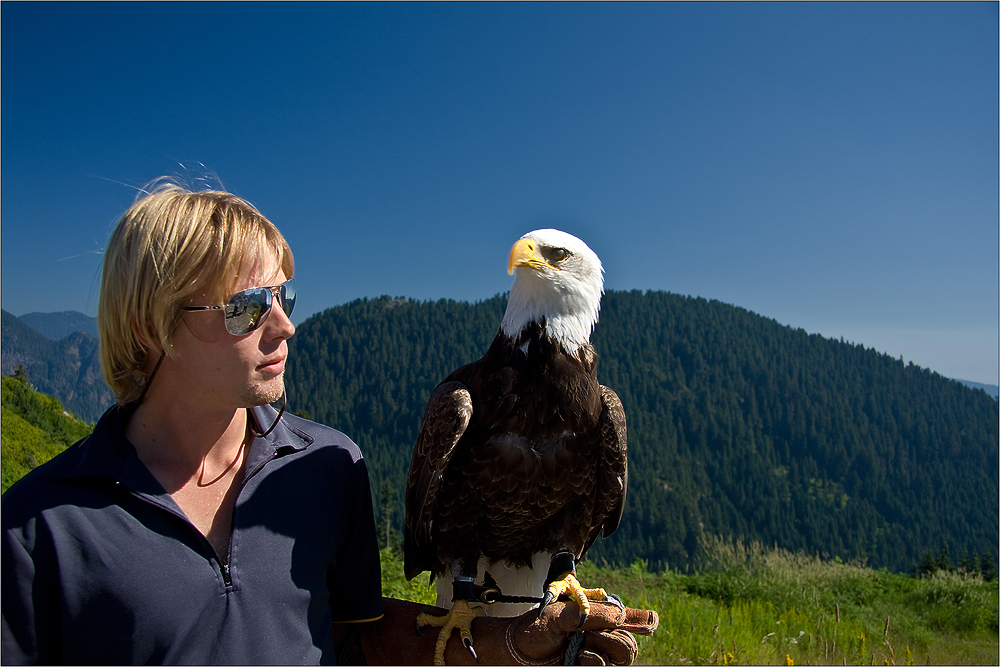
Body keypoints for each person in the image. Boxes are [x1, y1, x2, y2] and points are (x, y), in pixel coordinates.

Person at [1, 181, 656, 665]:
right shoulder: (35, 531)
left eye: (285, 297)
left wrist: (514, 644)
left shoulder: (326, 465)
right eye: (247, 307)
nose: (285, 324)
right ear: (153, 328)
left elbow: (351, 636)